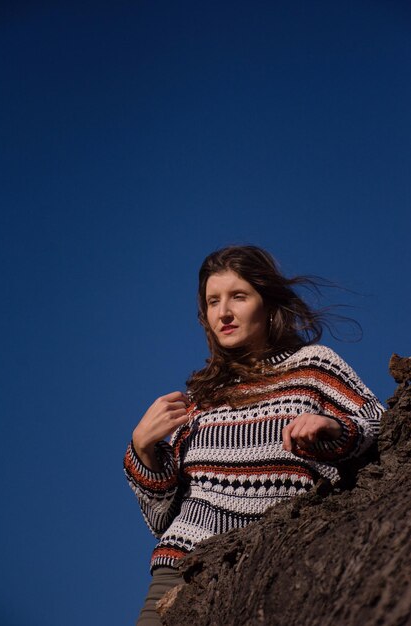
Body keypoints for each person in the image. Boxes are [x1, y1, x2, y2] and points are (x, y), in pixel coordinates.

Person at [124, 245, 384, 625]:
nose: (223, 312)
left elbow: (376, 421)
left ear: (267, 302)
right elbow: (164, 518)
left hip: (281, 564)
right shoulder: (199, 398)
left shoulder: (314, 366)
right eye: (213, 302)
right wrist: (142, 448)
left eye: (238, 297)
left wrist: (333, 427)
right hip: (183, 572)